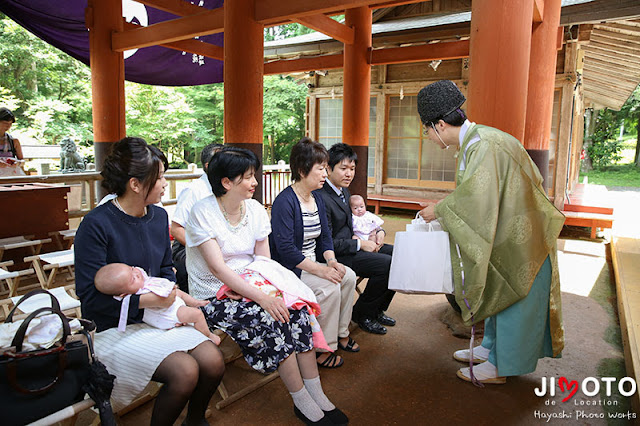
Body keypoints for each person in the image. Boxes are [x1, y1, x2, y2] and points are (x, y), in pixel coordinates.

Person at [416, 80, 565, 384]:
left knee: (512, 296)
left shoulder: (483, 145)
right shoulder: (479, 140)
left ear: (440, 125)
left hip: (521, 241)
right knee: (497, 289)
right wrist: (444, 206)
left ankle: (501, 365)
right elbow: (477, 195)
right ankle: (491, 347)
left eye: (427, 130)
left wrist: (441, 209)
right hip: (509, 231)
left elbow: (477, 200)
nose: (428, 137)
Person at [185, 146, 348, 425]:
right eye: (248, 177)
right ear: (226, 182)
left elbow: (264, 260)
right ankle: (300, 399)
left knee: (298, 310)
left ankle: (316, 391)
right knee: (271, 317)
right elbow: (218, 268)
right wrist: (263, 298)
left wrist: (272, 292)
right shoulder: (202, 212)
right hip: (214, 293)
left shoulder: (257, 210)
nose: (255, 182)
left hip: (253, 282)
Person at [75, 137, 224, 425]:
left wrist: (170, 300)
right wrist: (150, 302)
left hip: (160, 316)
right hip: (115, 328)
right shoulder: (96, 225)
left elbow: (166, 269)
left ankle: (195, 420)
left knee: (213, 361)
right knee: (185, 371)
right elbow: (91, 300)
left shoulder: (157, 216)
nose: (165, 183)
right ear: (135, 184)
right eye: (161, 177)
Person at [270, 138, 358, 369]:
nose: (324, 174)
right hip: (293, 268)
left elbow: (325, 236)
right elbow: (286, 251)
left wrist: (331, 261)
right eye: (320, 168)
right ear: (302, 170)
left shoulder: (317, 197)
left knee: (347, 275)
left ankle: (341, 332)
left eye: (325, 168)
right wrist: (321, 270)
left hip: (315, 261)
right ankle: (324, 347)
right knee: (328, 286)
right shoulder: (285, 202)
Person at [317, 143, 396, 335]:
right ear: (329, 168)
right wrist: (360, 244)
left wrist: (377, 231)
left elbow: (358, 222)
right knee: (387, 264)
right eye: (343, 168)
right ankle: (362, 314)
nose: (349, 174)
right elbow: (326, 242)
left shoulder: (344, 191)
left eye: (352, 169)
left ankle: (377, 309)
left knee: (399, 255)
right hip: (335, 255)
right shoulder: (321, 197)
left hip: (353, 245)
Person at [94, 263, 221, 344]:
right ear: (124, 294)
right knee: (197, 315)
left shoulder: (145, 282)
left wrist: (192, 301)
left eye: (131, 269)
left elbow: (174, 291)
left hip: (175, 304)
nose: (137, 273)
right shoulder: (140, 294)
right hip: (169, 315)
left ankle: (195, 302)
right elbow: (165, 300)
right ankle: (208, 336)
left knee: (179, 293)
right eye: (133, 279)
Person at [171, 143, 223, 291]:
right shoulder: (194, 190)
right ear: (208, 166)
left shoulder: (226, 189)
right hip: (189, 247)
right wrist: (202, 247)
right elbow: (176, 228)